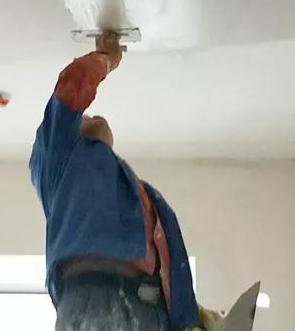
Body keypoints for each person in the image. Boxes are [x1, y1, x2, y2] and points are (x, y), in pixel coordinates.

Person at [29, 32, 202, 330]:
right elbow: (70, 90)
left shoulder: (136, 192)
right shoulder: (60, 161)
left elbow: (167, 268)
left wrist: (190, 319)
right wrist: (106, 59)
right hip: (99, 302)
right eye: (84, 118)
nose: (92, 116)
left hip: (144, 309)